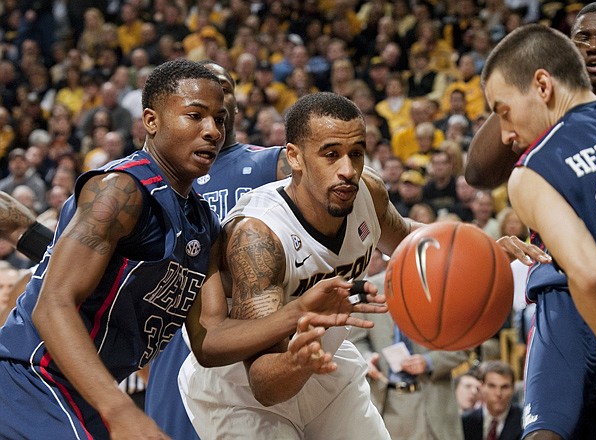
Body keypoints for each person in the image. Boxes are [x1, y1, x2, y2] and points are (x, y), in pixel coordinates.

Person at [0, 60, 386, 439]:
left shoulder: (203, 223)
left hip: (80, 392)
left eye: (219, 119)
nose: (212, 131)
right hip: (31, 379)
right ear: (151, 121)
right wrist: (119, 409)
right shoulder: (119, 191)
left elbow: (209, 340)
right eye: (194, 116)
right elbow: (52, 303)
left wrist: (297, 311)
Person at [179, 92, 422, 439]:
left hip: (324, 365)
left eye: (356, 153)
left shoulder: (367, 192)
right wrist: (298, 360)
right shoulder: (258, 237)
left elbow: (407, 236)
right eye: (331, 155)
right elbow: (264, 384)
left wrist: (478, 244)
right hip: (242, 390)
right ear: (294, 156)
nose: (348, 170)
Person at [466, 3, 596, 439]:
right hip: (563, 294)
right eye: (582, 38)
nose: (594, 47)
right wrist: (529, 71)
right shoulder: (540, 120)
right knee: (546, 429)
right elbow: (477, 171)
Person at [143, 60, 290, 440]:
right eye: (196, 105)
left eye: (222, 89)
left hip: (244, 323)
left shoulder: (269, 160)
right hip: (178, 332)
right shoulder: (156, 180)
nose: (213, 97)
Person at [349, 249, 469, 440]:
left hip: (432, 399)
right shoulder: (370, 290)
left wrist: (429, 361)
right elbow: (355, 341)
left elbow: (463, 345)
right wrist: (367, 358)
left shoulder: (442, 289)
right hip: (388, 402)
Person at [462, 361, 523, 440]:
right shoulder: (466, 421)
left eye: (504, 387)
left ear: (513, 389)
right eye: (492, 386)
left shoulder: (524, 421)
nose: (498, 393)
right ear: (481, 387)